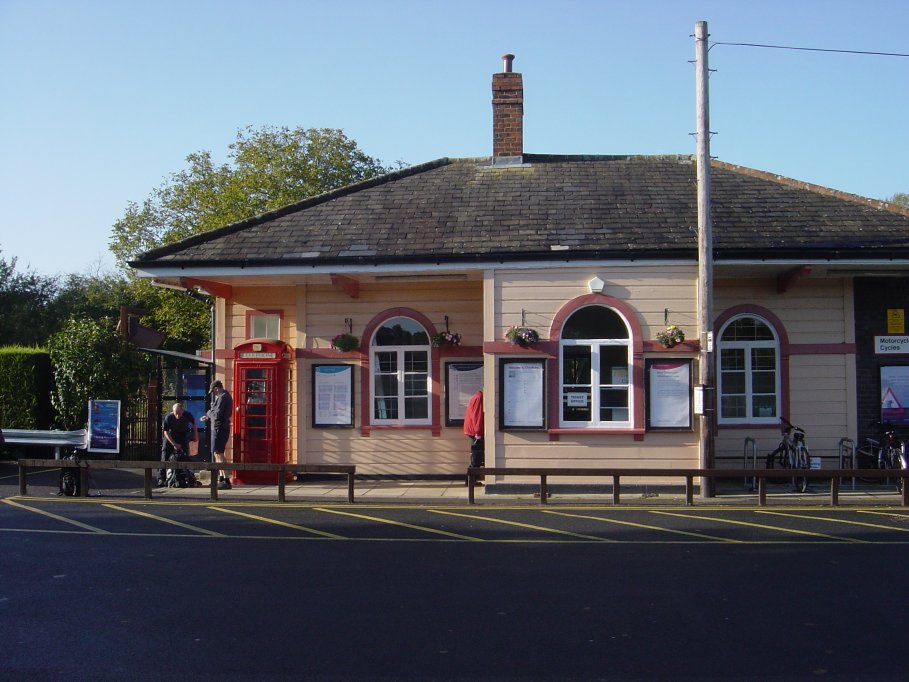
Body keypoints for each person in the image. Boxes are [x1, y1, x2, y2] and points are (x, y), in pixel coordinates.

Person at [201, 379, 233, 490]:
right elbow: (215, 414)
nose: (213, 394)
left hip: (219, 428)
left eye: (213, 391)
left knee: (219, 453)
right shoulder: (223, 396)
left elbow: (217, 414)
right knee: (217, 453)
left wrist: (208, 413)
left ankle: (226, 480)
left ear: (216, 388)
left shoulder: (223, 397)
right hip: (218, 427)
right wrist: (209, 416)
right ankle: (222, 478)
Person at [157, 402, 198, 487]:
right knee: (165, 454)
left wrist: (195, 435)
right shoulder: (169, 417)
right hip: (171, 435)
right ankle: (161, 478)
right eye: (176, 413)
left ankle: (187, 476)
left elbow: (194, 423)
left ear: (182, 411)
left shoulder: (187, 415)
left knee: (185, 455)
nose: (178, 416)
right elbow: (165, 432)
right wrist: (174, 444)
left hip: (182, 434)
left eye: (179, 413)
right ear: (172, 412)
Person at [463, 389, 485, 486]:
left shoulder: (476, 397)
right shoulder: (479, 398)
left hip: (472, 430)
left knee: (475, 455)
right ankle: (471, 480)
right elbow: (477, 416)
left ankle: (472, 480)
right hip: (475, 432)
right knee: (476, 457)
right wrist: (478, 433)